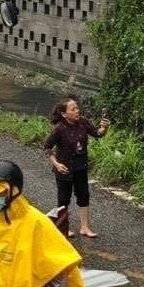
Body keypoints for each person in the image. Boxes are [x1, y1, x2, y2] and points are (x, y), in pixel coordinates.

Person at [43, 97, 110, 238]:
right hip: (64, 169)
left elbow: (97, 134)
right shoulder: (59, 128)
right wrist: (56, 164)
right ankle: (63, 227)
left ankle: (84, 227)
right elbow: (47, 147)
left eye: (77, 108)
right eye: (73, 109)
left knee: (84, 196)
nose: (77, 111)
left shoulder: (83, 122)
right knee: (64, 199)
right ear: (64, 114)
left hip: (80, 166)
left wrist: (104, 127)